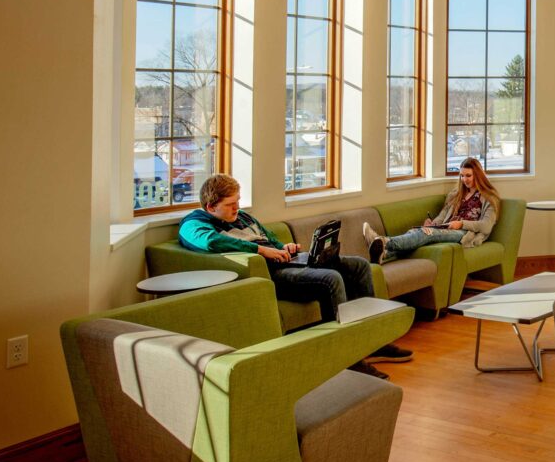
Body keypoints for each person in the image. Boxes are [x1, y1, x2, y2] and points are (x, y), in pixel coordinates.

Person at [178, 174, 412, 377]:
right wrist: (261, 250)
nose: (237, 208)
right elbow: (209, 241)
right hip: (272, 274)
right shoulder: (195, 224)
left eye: (238, 201)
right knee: (331, 278)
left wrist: (284, 247)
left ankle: (371, 341)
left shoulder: (244, 217)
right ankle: (346, 357)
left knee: (359, 266)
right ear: (210, 207)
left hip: (286, 261)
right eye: (230, 204)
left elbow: (269, 237)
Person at [364, 157, 500, 264]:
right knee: (419, 231)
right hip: (447, 228)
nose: (464, 179)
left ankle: (383, 241)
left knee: (427, 234)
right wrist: (434, 224)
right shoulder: (456, 194)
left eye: (468, 176)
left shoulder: (489, 197)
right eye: (462, 175)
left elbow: (486, 226)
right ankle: (386, 254)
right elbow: (443, 214)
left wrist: (462, 224)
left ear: (478, 175)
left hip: (465, 234)